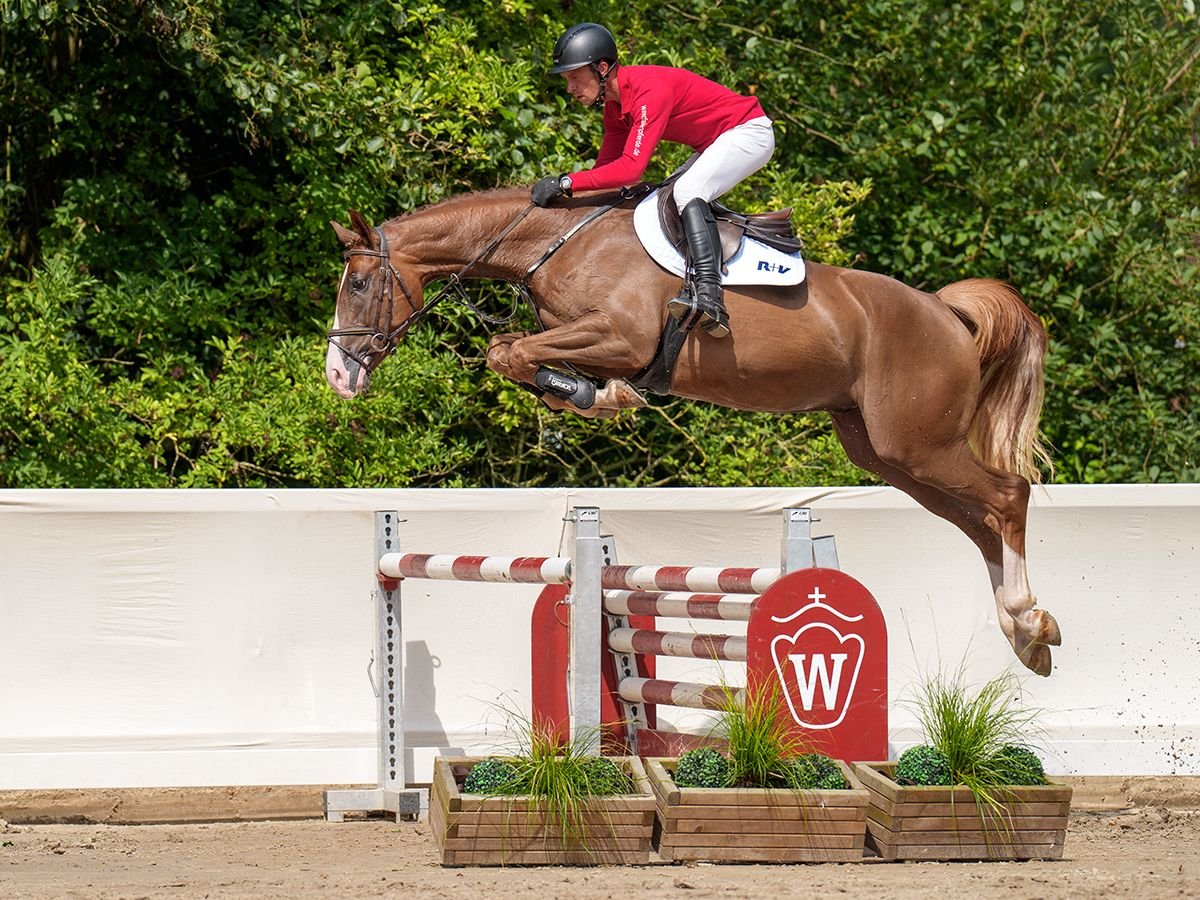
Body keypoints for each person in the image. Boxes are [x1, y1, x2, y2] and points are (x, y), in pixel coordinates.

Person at [530, 23, 775, 338]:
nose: (570, 88)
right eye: (567, 81)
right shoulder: (615, 111)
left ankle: (710, 298)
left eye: (575, 78)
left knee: (687, 192)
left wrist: (566, 182)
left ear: (602, 68)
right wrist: (566, 200)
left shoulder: (649, 90)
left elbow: (631, 169)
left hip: (750, 133)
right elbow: (605, 172)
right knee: (664, 199)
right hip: (718, 143)